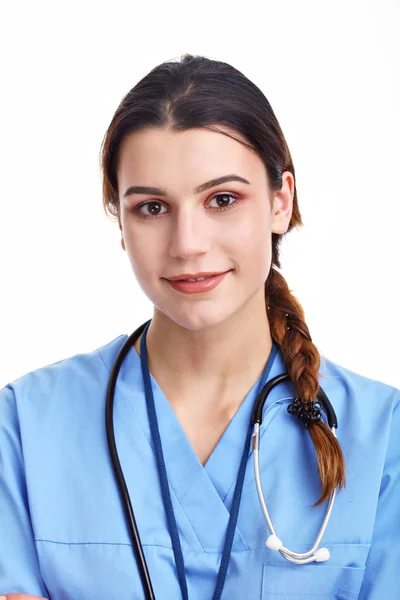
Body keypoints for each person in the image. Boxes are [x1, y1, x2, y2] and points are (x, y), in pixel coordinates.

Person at [0, 53, 399, 600]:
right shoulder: (24, 427)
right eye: (152, 208)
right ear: (120, 220)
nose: (187, 243)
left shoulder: (383, 437)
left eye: (223, 200)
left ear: (281, 202)